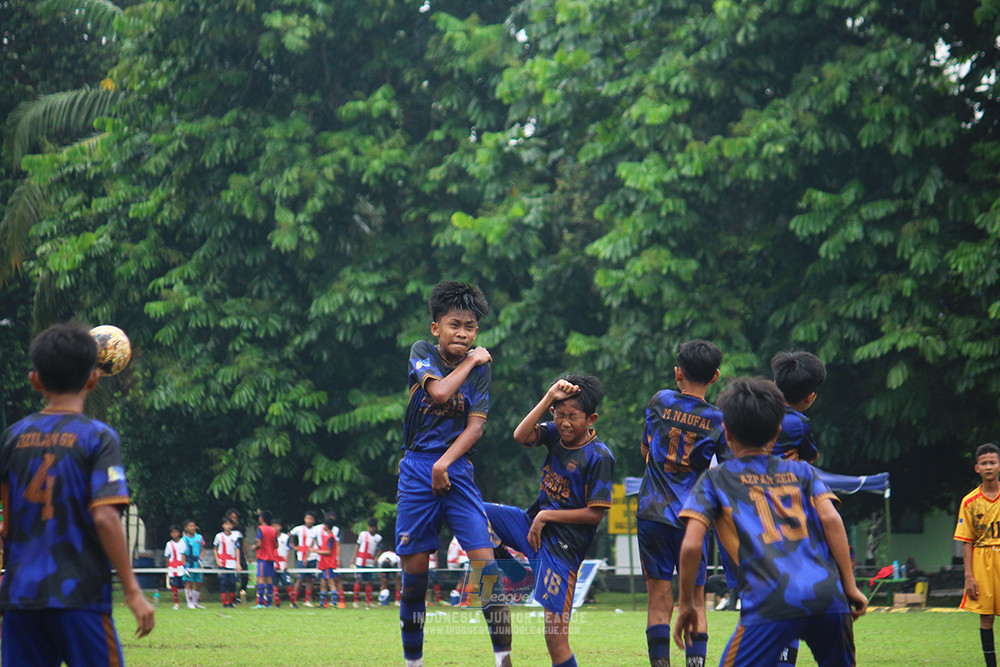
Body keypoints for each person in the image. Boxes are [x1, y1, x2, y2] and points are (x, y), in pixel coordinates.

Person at [674, 377, 867, 666]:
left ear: (726, 433)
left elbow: (690, 546)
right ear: (776, 432)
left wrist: (688, 604)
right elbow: (831, 519)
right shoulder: (804, 473)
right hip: (828, 597)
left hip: (771, 600)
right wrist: (849, 587)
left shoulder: (717, 479)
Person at [0, 322, 154, 665]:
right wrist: (132, 590)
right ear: (94, 379)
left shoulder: (12, 437)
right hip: (80, 597)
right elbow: (105, 517)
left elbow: (5, 519)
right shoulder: (97, 437)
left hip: (21, 599)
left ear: (35, 379)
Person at [396, 281, 512, 667]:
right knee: (414, 579)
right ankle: (414, 663)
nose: (462, 333)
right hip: (416, 470)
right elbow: (442, 393)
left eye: (470, 327)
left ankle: (504, 659)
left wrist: (445, 464)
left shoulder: (481, 371)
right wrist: (471, 361)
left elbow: (475, 427)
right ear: (436, 328)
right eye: (454, 325)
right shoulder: (422, 353)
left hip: (457, 470)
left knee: (488, 569)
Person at [486, 375, 615, 667]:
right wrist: (548, 397)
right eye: (559, 415)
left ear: (590, 418)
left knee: (555, 638)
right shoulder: (555, 434)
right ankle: (516, 574)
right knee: (474, 512)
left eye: (573, 416)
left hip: (562, 551)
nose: (565, 423)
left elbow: (595, 514)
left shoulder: (599, 456)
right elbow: (521, 435)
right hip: (530, 528)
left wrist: (546, 515)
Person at [635, 339, 725, 667]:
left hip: (651, 513)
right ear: (715, 376)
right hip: (693, 520)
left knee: (658, 601)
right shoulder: (719, 419)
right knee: (696, 601)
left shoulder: (660, 401)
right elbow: (723, 471)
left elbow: (647, 451)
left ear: (677, 373)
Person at [769, 350, 826, 666]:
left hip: (746, 518)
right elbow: (809, 459)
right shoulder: (798, 424)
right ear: (810, 395)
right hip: (785, 520)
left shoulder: (753, 415)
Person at [955, 442, 1000, 667]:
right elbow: (965, 540)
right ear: (977, 469)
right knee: (986, 615)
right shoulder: (970, 501)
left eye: (992, 462)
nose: (989, 467)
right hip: (982, 559)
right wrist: (969, 576)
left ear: (999, 466)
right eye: (984, 463)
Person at [313, 513, 346, 609]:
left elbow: (328, 551)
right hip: (323, 563)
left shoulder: (331, 537)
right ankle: (322, 603)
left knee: (331, 583)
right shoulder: (327, 536)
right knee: (323, 583)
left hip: (328, 563)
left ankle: (334, 603)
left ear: (326, 526)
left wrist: (316, 551)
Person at [290, 510, 321, 607]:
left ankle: (308, 600)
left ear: (314, 520)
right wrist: (294, 547)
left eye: (311, 519)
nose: (309, 521)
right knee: (300, 579)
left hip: (313, 557)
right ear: (304, 519)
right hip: (301, 557)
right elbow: (288, 536)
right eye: (307, 518)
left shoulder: (316, 529)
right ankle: (293, 600)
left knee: (310, 579)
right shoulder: (298, 529)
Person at [252, 509, 278, 608]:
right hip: (271, 557)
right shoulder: (273, 530)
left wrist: (254, 547)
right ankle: (269, 603)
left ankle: (260, 603)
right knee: (269, 579)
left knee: (260, 579)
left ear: (261, 518)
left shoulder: (260, 529)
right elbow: (276, 545)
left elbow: (259, 543)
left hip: (263, 557)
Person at [354, 517, 382, 608]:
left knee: (370, 581)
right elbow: (357, 546)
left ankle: (369, 601)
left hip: (370, 562)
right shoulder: (363, 534)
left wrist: (376, 558)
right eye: (370, 527)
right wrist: (354, 558)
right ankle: (355, 601)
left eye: (373, 527)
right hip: (361, 561)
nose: (371, 529)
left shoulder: (378, 538)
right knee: (359, 580)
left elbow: (379, 549)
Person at [214, 517, 240, 608]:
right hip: (222, 562)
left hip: (232, 563)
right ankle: (224, 602)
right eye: (226, 524)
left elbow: (237, 550)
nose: (228, 526)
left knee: (232, 582)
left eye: (230, 524)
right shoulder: (219, 536)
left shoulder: (235, 536)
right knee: (223, 582)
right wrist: (217, 559)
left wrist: (238, 563)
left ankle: (230, 601)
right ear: (223, 525)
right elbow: (215, 548)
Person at [224, 508, 248, 605]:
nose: (234, 519)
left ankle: (240, 594)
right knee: (228, 577)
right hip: (228, 555)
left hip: (239, 554)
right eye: (232, 517)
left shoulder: (239, 529)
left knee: (245, 574)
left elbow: (243, 541)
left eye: (235, 518)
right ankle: (230, 597)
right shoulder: (224, 529)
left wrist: (248, 555)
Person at [182, 520, 206, 609]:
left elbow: (202, 549)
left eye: (194, 526)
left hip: (197, 562)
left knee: (199, 582)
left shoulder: (199, 537)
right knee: (188, 582)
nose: (192, 528)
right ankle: (189, 602)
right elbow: (182, 553)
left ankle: (195, 602)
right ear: (186, 528)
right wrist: (184, 566)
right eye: (190, 526)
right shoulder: (184, 539)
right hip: (189, 562)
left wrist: (201, 559)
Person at [273, 518, 296, 607]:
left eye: (277, 526)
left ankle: (293, 602)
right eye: (273, 526)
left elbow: (288, 550)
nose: (275, 528)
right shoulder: (270, 537)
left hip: (282, 564)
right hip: (274, 563)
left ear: (280, 527)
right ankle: (277, 603)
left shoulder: (285, 537)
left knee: (287, 583)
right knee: (274, 584)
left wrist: (286, 563)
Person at [165, 525, 186, 610]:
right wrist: (167, 569)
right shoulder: (169, 544)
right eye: (172, 532)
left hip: (181, 566)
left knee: (186, 583)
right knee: (174, 585)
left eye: (176, 532)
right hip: (172, 567)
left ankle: (190, 601)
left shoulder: (183, 542)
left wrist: (185, 566)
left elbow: (184, 555)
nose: (174, 534)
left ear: (179, 533)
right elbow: (167, 557)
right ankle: (176, 603)